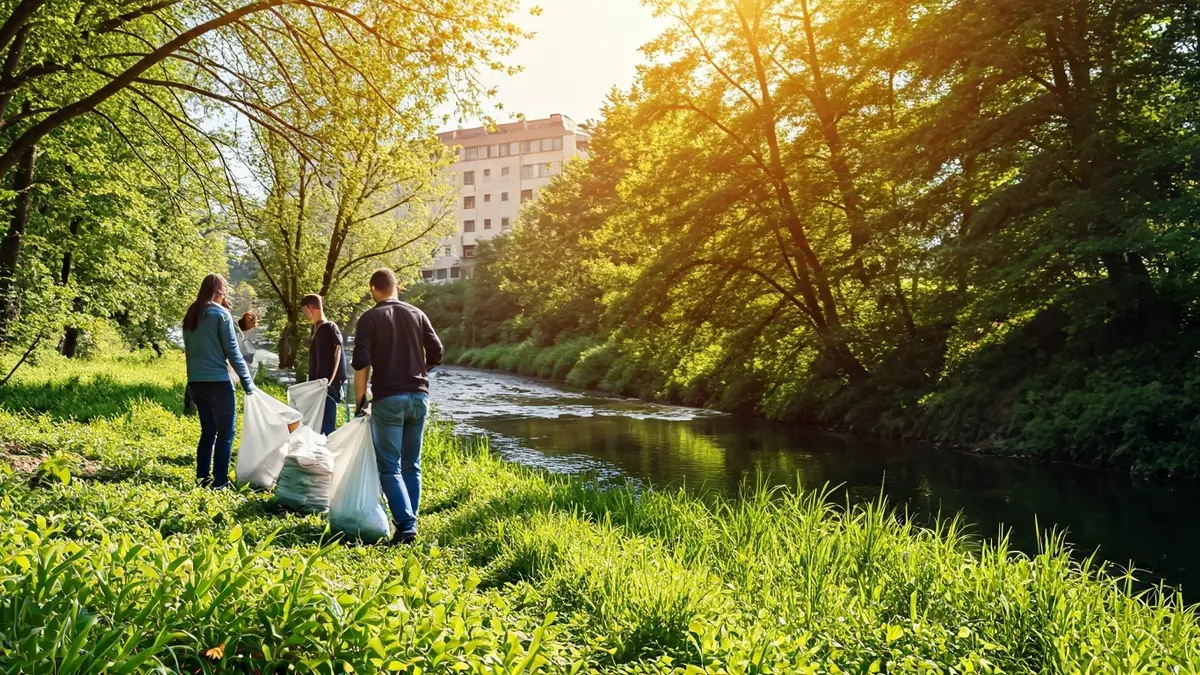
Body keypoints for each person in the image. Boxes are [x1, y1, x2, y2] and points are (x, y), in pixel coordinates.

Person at [352, 268, 443, 545]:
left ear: (372, 289)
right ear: (397, 287)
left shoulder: (370, 319)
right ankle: (410, 522)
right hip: (419, 396)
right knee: (411, 464)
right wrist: (420, 370)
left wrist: (359, 402)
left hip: (389, 398)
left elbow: (361, 364)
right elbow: (437, 351)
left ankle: (406, 526)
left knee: (390, 466)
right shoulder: (418, 314)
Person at [182, 274, 255, 489]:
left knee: (208, 432)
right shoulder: (220, 315)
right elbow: (232, 351)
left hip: (196, 382)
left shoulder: (192, 313)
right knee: (225, 434)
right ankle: (220, 482)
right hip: (218, 383)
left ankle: (202, 479)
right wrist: (247, 382)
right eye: (224, 293)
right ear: (218, 292)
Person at [300, 294, 347, 436]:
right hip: (317, 388)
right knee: (317, 427)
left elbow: (337, 351)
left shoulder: (330, 327)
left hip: (327, 389)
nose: (305, 315)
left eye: (304, 311)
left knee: (326, 428)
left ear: (310, 308)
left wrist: (329, 383)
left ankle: (327, 455)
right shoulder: (316, 329)